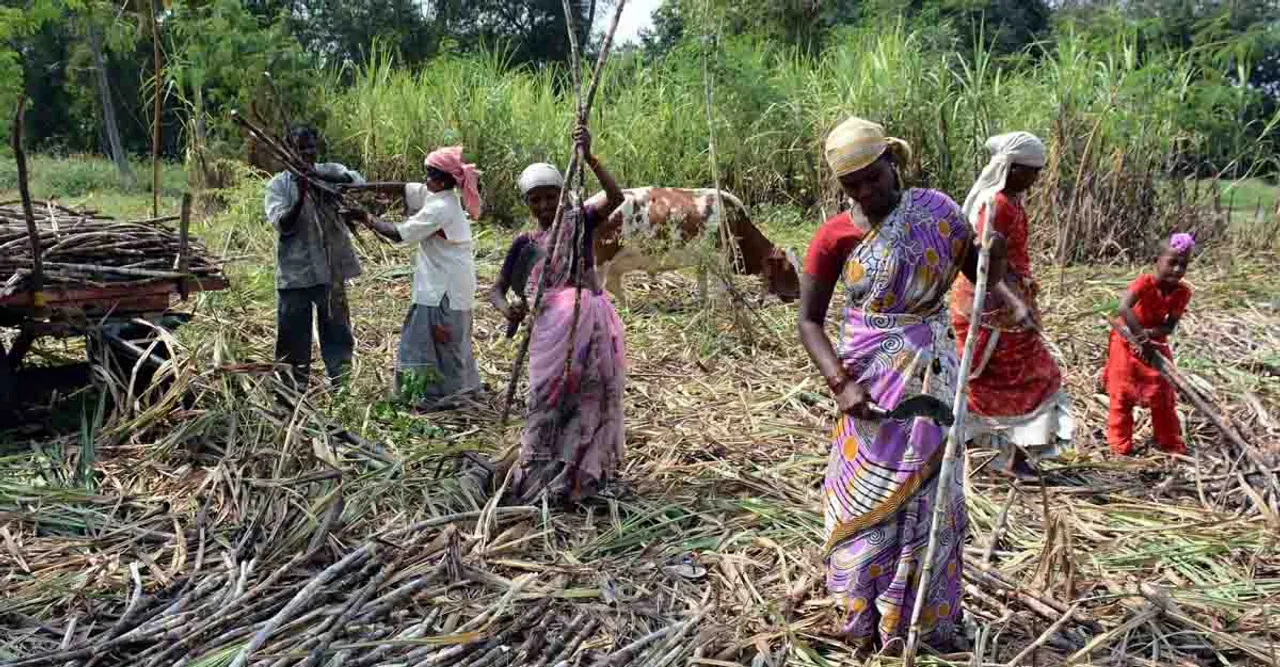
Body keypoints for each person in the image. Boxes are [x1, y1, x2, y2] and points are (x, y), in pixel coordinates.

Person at [797, 117, 1030, 653]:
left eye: (872, 177)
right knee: (861, 499)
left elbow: (983, 276)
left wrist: (992, 257)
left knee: (931, 494)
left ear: (892, 163)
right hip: (866, 383)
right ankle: (861, 617)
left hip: (931, 375)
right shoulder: (835, 235)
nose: (864, 191)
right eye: (850, 184)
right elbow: (809, 321)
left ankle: (921, 621)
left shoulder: (940, 215)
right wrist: (841, 385)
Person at [490, 126, 626, 504]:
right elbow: (497, 290)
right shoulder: (525, 244)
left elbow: (615, 197)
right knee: (547, 401)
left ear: (563, 193)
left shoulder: (579, 221)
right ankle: (541, 474)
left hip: (588, 325)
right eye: (537, 200)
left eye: (552, 196)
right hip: (548, 333)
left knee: (589, 396)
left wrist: (591, 158)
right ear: (527, 204)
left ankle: (581, 478)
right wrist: (511, 310)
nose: (546, 206)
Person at [950, 132, 1074, 481]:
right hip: (989, 309)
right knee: (1001, 379)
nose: (1037, 178)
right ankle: (990, 455)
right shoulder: (996, 205)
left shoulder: (1012, 202)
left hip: (1007, 306)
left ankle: (1000, 456)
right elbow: (983, 265)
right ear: (1013, 168)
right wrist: (1016, 304)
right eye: (1032, 171)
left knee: (1005, 380)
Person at [356, 146, 483, 409]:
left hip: (442, 288)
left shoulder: (440, 207)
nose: (424, 180)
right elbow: (403, 188)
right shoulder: (439, 194)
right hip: (450, 283)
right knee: (449, 343)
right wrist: (362, 187)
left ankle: (436, 398)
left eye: (428, 175)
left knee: (434, 341)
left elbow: (399, 234)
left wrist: (366, 218)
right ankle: (454, 391)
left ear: (442, 179)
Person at [263, 126, 365, 389]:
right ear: (288, 151)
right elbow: (283, 223)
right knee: (292, 337)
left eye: (311, 148)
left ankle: (341, 385)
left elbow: (359, 184)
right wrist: (301, 193)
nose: (307, 154)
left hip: (331, 268)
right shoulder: (279, 185)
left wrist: (318, 175)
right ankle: (292, 390)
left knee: (338, 332)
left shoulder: (329, 171)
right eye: (301, 149)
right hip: (296, 274)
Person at [1103, 233, 1195, 456]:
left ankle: (1170, 443)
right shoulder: (1144, 283)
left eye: (1182, 265)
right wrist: (1139, 337)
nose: (1176, 270)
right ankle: (1119, 446)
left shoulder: (1182, 293)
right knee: (1122, 394)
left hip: (1154, 343)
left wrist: (1148, 338)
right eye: (1172, 263)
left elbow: (1169, 327)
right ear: (1157, 260)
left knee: (1163, 394)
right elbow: (1124, 308)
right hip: (1126, 342)